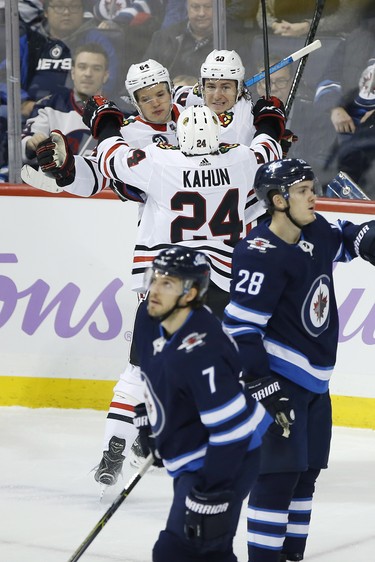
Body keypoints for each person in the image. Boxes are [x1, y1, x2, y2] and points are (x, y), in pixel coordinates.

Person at [31, 100, 284, 487]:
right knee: (228, 370)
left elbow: (113, 154)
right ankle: (233, 453)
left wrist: (106, 121)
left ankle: (113, 450)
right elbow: (271, 144)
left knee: (138, 371)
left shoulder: (161, 162)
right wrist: (269, 115)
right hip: (222, 287)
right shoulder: (242, 160)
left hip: (167, 287)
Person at [222, 158, 375, 562]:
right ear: (278, 200)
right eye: (304, 190)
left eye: (313, 187)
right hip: (278, 380)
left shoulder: (317, 230)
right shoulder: (259, 252)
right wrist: (261, 383)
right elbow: (240, 329)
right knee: (277, 479)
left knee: (305, 476)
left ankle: (292, 556)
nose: (314, 196)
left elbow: (354, 239)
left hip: (315, 385)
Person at [132, 245, 272, 562]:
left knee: (180, 551)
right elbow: (152, 372)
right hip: (195, 455)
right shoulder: (150, 315)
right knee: (206, 552)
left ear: (191, 292)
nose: (154, 290)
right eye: (155, 279)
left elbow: (232, 431)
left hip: (225, 461)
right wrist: (149, 419)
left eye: (168, 283)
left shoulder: (204, 348)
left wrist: (212, 490)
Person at [21, 43, 110, 163]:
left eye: (96, 68)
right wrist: (30, 144)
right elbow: (24, 145)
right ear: (73, 72)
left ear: (105, 76)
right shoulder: (49, 105)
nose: (88, 74)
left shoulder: (122, 113)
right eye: (82, 67)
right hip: (54, 181)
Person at [256, 0, 357, 38]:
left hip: (325, 42)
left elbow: (345, 16)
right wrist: (276, 25)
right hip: (282, 42)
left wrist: (307, 27)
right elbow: (262, 14)